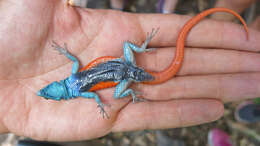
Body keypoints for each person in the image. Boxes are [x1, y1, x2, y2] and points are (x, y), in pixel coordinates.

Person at [0, 0, 259, 142]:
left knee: (123, 90)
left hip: (126, 76)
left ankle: (134, 91)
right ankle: (142, 50)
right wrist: (65, 53)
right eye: (49, 92)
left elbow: (97, 97)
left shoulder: (82, 94)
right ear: (59, 85)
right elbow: (75, 61)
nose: (47, 91)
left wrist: (121, 97)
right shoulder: (74, 76)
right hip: (125, 65)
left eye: (48, 92)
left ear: (64, 95)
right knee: (128, 46)